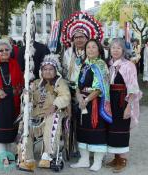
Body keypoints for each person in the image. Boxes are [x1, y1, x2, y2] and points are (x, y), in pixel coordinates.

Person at [17, 54, 71, 171]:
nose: (48, 72)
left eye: (51, 69)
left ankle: (48, 155)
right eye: (45, 69)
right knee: (24, 122)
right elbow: (28, 99)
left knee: (53, 117)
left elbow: (65, 96)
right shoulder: (36, 83)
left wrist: (54, 105)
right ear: (41, 71)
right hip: (37, 116)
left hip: (53, 114)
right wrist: (26, 94)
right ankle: (27, 158)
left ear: (56, 70)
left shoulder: (60, 82)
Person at [61, 11, 104, 156]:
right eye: (76, 37)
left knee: (89, 120)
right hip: (71, 90)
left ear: (87, 38)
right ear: (72, 39)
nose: (78, 39)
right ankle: (74, 147)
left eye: (81, 37)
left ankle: (92, 151)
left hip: (90, 92)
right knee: (72, 119)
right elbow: (64, 71)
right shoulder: (68, 53)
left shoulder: (92, 53)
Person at [70, 39, 112, 172]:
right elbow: (76, 84)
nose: (91, 50)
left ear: (99, 50)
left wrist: (86, 99)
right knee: (82, 129)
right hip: (82, 101)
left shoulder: (101, 65)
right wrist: (78, 96)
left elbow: (100, 88)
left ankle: (98, 160)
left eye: (94, 47)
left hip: (94, 102)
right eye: (88, 47)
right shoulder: (84, 64)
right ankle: (84, 159)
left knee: (96, 130)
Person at [106, 38, 142, 173]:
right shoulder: (109, 65)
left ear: (123, 50)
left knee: (122, 129)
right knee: (112, 128)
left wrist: (128, 106)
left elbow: (133, 88)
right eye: (113, 47)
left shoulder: (129, 65)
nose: (115, 50)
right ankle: (116, 157)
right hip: (112, 102)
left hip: (123, 101)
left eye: (118, 48)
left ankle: (123, 159)